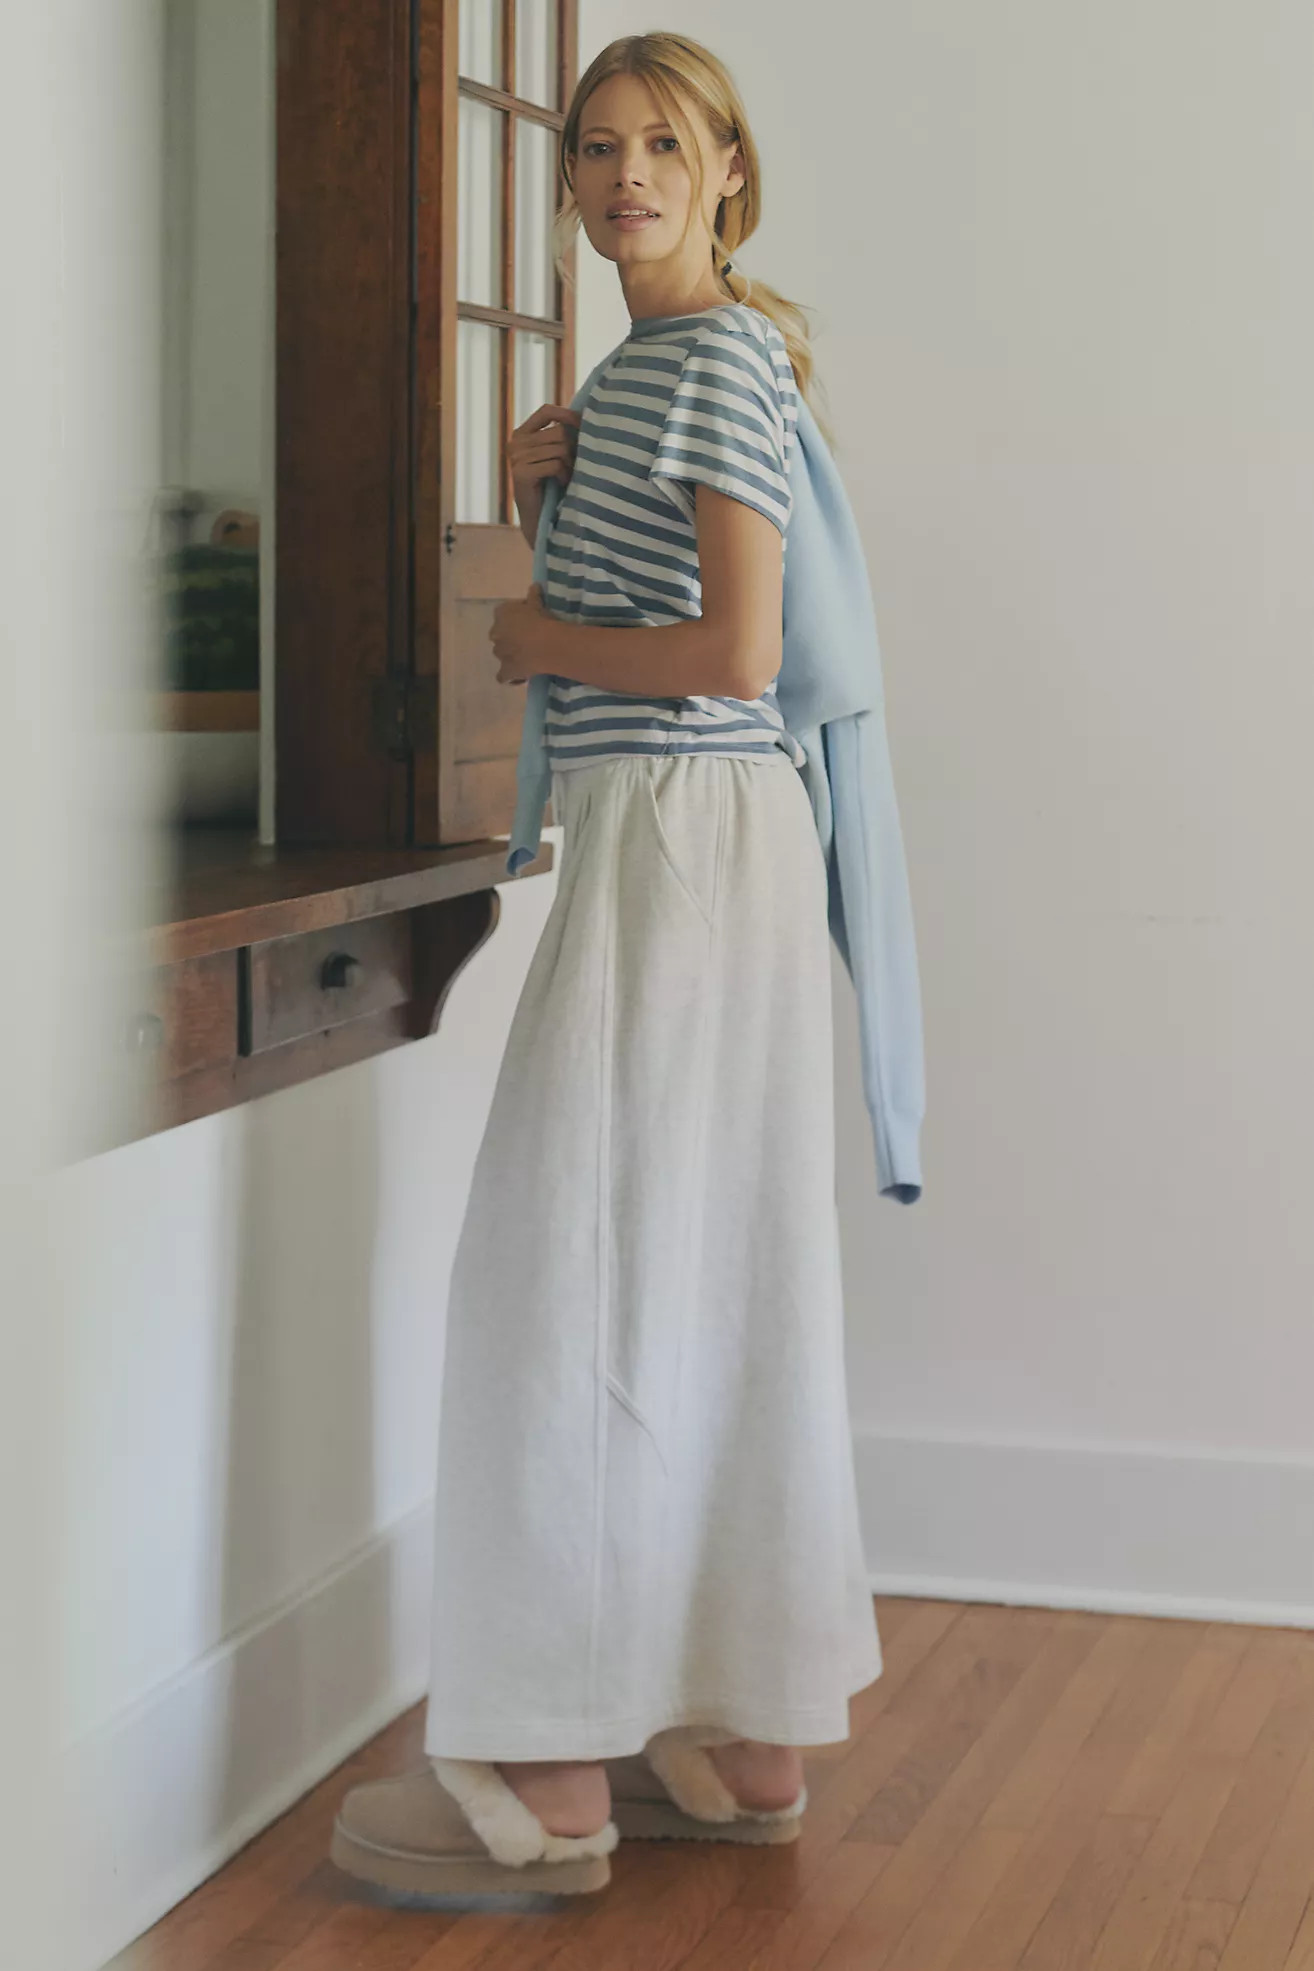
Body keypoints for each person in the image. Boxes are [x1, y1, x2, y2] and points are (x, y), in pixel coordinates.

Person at [332, 31, 886, 1899]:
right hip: (708, 842)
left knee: (562, 1277)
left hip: (680, 832)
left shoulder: (708, 355)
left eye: (662, 143)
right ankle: (733, 1735)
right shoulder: (663, 367)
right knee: (703, 1268)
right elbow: (684, 611)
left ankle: (547, 1769)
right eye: (593, 146)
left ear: (728, 170)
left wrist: (532, 628)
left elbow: (735, 653)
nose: (622, 174)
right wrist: (538, 501)